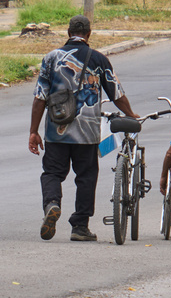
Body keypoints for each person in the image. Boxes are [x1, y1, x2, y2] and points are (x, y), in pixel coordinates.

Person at [29, 14, 139, 242]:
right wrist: (131, 115)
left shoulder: (51, 58)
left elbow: (40, 98)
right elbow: (116, 94)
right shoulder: (99, 59)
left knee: (52, 173)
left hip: (56, 131)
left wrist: (33, 131)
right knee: (86, 176)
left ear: (68, 33)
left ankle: (52, 204)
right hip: (87, 134)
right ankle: (80, 226)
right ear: (88, 35)